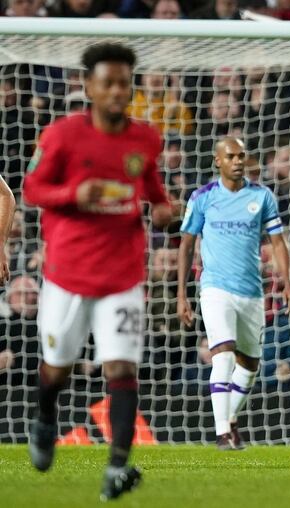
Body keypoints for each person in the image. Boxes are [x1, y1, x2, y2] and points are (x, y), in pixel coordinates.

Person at [22, 43, 173, 501]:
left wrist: (163, 206)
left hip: (123, 274)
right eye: (107, 82)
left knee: (123, 368)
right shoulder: (62, 136)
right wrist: (75, 191)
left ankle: (116, 468)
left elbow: (151, 186)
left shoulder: (146, 138)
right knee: (56, 368)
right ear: (88, 86)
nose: (116, 91)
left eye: (123, 83)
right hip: (67, 273)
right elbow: (32, 188)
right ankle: (45, 417)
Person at [177, 136, 290, 451]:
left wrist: (288, 281)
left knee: (249, 366)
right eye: (231, 156)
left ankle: (228, 419)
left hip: (252, 293)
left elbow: (278, 242)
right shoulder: (202, 197)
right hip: (215, 288)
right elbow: (187, 244)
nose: (238, 161)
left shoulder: (262, 196)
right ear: (218, 160)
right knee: (224, 353)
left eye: (242, 155)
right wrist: (181, 295)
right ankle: (222, 433)